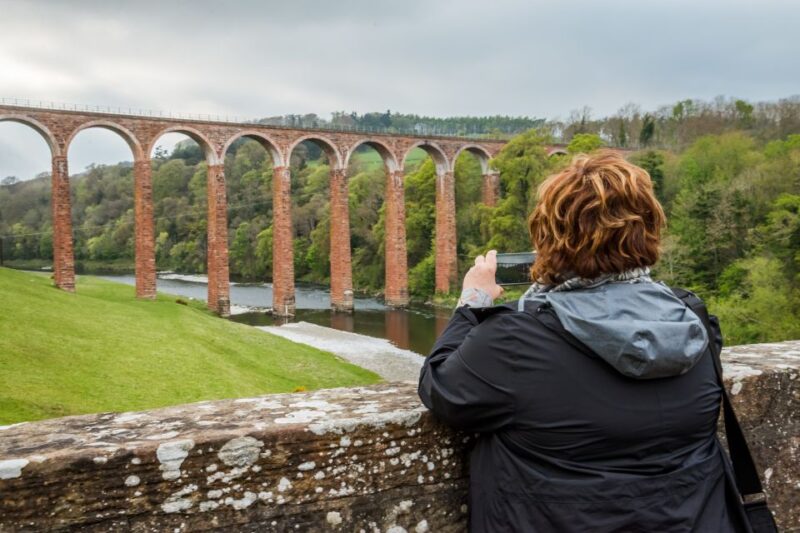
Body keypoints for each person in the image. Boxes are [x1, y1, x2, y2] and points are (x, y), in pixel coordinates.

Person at [418, 151, 750, 532]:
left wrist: (472, 302)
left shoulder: (516, 341)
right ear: (649, 230)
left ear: (548, 239)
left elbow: (440, 386)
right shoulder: (692, 320)